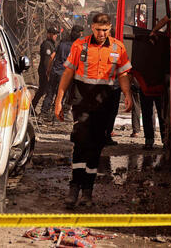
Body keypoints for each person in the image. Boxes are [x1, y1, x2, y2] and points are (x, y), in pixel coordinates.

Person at [54, 13, 132, 208]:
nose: (101, 34)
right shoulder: (79, 45)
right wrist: (58, 100)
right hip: (82, 100)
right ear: (92, 27)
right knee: (81, 141)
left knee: (96, 145)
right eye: (98, 30)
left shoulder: (118, 48)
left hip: (104, 102)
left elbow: (123, 74)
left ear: (110, 28)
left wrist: (127, 94)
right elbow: (68, 73)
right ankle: (74, 187)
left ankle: (87, 190)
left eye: (105, 30)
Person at [31, 26, 60, 118]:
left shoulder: (52, 44)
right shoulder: (47, 45)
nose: (55, 36)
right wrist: (48, 73)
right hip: (45, 71)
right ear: (49, 34)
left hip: (47, 71)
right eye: (54, 34)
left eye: (56, 34)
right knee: (44, 90)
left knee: (43, 90)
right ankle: (34, 109)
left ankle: (32, 108)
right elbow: (47, 61)